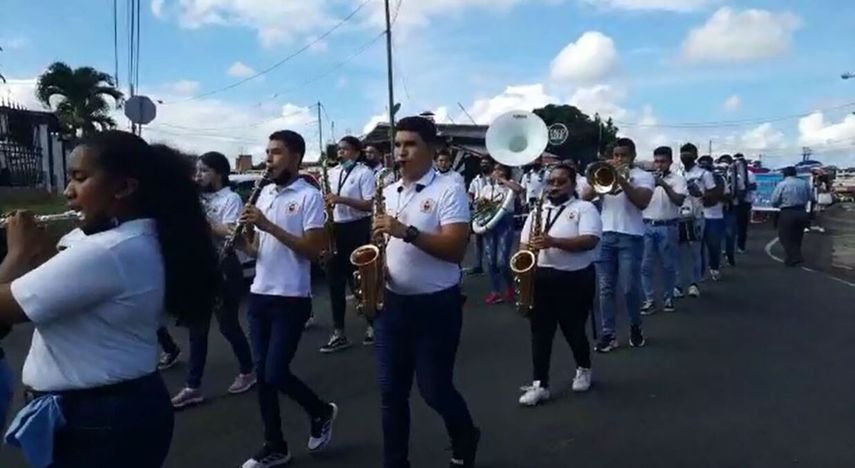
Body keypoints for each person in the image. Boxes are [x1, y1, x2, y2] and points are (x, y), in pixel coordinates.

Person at [0, 131, 220, 466]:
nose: (67, 192)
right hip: (117, 408)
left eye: (80, 178)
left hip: (97, 419)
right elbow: (71, 290)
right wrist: (39, 255)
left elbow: (7, 308)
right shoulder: (133, 238)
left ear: (123, 188)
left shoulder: (107, 250)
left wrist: (15, 253)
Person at [373, 116, 480, 468]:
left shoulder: (449, 189)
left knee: (435, 391)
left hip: (436, 307)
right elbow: (379, 241)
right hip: (392, 305)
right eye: (398, 145)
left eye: (410, 144)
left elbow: (455, 249)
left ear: (431, 149)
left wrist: (407, 233)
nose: (400, 152)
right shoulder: (387, 192)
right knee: (391, 394)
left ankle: (465, 437)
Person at [237, 130, 338, 467]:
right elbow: (257, 249)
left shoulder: (309, 197)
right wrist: (240, 242)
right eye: (267, 152)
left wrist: (267, 225)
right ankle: (275, 444)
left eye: (277, 152)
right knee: (263, 377)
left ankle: (321, 411)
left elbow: (314, 251)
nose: (269, 159)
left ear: (295, 157)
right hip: (260, 294)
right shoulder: (263, 193)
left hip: (291, 297)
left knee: (276, 372)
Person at [170, 151, 257, 409]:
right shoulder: (196, 199)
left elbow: (232, 232)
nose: (199, 176)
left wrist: (203, 222)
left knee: (228, 325)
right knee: (197, 329)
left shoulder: (230, 199)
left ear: (219, 172)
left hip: (224, 265)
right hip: (200, 265)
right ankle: (192, 386)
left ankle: (248, 370)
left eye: (204, 171)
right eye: (197, 171)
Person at [516, 163, 600, 406]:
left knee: (573, 330)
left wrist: (553, 241)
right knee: (540, 334)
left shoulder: (585, 208)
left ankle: (583, 368)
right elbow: (523, 246)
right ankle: (540, 384)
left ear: (573, 184)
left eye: (561, 181)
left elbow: (589, 241)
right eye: (551, 181)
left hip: (574, 278)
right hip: (541, 278)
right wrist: (524, 262)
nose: (554, 186)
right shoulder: (536, 212)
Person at [582, 138, 654, 352]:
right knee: (605, 288)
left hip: (631, 236)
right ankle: (608, 334)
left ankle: (635, 327)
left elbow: (642, 202)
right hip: (605, 235)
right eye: (615, 155)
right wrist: (603, 181)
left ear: (632, 155)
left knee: (630, 287)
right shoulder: (604, 171)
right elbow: (585, 197)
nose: (618, 159)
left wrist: (622, 181)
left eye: (623, 155)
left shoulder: (644, 176)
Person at [321, 136, 376, 352]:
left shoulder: (364, 173)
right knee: (334, 282)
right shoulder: (333, 173)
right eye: (339, 150)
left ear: (356, 152)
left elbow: (368, 204)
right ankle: (338, 332)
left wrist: (341, 199)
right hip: (334, 228)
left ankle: (372, 324)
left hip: (356, 227)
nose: (340, 153)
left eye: (344, 149)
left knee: (358, 279)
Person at [640, 147, 686, 315]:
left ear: (670, 162)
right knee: (644, 266)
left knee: (668, 265)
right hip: (646, 225)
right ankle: (649, 299)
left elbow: (679, 200)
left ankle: (668, 297)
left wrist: (664, 185)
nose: (659, 165)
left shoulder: (678, 180)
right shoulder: (646, 179)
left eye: (663, 161)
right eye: (657, 161)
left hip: (668, 225)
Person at [476, 163, 523, 304]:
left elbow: (519, 189)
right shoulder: (486, 188)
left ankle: (510, 286)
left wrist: (502, 180)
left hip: (505, 222)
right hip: (489, 222)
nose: (497, 172)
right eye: (495, 169)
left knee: (502, 261)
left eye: (501, 170)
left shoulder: (510, 185)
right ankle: (495, 291)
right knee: (491, 261)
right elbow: (479, 204)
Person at [674, 144, 715, 298]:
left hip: (696, 216)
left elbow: (711, 198)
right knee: (677, 253)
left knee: (695, 252)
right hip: (678, 217)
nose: (685, 156)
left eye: (688, 153)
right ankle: (677, 285)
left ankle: (694, 283)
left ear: (695, 155)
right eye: (683, 153)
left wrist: (700, 194)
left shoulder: (704, 174)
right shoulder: (677, 173)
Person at [771, 166, 813, 266]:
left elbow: (774, 200)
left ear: (785, 174)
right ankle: (790, 259)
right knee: (797, 236)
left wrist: (777, 205)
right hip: (802, 211)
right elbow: (811, 197)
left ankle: (796, 256)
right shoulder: (804, 183)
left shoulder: (782, 184)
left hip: (787, 212)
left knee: (784, 236)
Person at [697, 155, 726, 280]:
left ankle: (714, 268)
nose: (705, 167)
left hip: (715, 217)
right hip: (698, 217)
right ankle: (700, 272)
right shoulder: (696, 180)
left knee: (714, 246)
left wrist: (714, 195)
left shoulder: (720, 179)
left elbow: (728, 196)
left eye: (707, 164)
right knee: (698, 249)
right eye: (702, 164)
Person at [466, 157, 494, 275]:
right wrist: (472, 203)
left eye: (486, 163)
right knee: (477, 241)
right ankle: (478, 265)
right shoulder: (476, 179)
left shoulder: (494, 178)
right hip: (478, 212)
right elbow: (470, 193)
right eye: (482, 163)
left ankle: (492, 265)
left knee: (490, 240)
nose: (484, 165)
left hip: (491, 212)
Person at [716, 155, 738, 267]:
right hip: (728, 208)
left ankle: (715, 263)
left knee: (714, 237)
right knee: (730, 235)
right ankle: (729, 257)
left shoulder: (712, 173)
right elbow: (738, 190)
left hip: (713, 209)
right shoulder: (734, 173)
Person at [733, 153, 757, 252]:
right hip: (733, 202)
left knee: (742, 226)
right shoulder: (730, 173)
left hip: (744, 202)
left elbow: (754, 186)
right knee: (732, 225)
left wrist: (743, 188)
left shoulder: (750, 174)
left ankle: (740, 246)